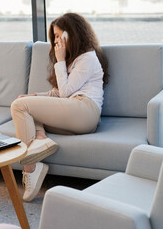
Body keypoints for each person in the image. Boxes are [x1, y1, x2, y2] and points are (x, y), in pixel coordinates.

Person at [10, 12, 109, 202]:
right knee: (26, 109)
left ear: (71, 34)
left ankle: (30, 167)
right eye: (54, 37)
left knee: (19, 107)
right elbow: (57, 94)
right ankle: (40, 139)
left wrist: (60, 59)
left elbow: (65, 93)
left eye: (58, 36)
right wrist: (33, 97)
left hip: (84, 110)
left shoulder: (87, 58)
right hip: (73, 112)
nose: (56, 41)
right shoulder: (72, 60)